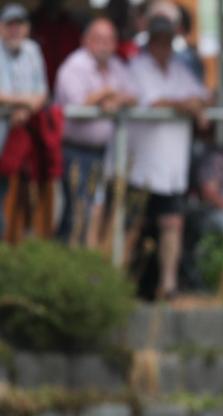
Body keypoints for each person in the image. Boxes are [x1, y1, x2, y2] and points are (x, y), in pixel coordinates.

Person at [126, 11, 210, 300]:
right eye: (158, 38)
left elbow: (202, 96)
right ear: (150, 40)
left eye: (167, 39)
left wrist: (192, 104)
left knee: (172, 223)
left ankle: (169, 285)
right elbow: (154, 101)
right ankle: (122, 284)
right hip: (141, 165)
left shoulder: (179, 69)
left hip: (172, 166)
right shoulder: (137, 67)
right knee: (133, 226)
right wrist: (187, 105)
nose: (162, 44)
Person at [55, 17, 135, 247]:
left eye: (109, 39)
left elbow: (133, 93)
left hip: (105, 153)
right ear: (86, 40)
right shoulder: (74, 66)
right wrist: (107, 93)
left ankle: (85, 267)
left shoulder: (117, 65)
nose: (104, 45)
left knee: (97, 213)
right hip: (76, 151)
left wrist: (111, 98)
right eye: (98, 39)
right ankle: (66, 266)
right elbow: (79, 104)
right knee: (77, 213)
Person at [0, 3, 50, 241]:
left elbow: (42, 93)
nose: (14, 30)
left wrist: (25, 107)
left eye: (19, 25)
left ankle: (21, 249)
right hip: (4, 134)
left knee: (28, 193)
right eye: (10, 25)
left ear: (27, 28)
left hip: (24, 136)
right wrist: (23, 103)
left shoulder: (32, 50)